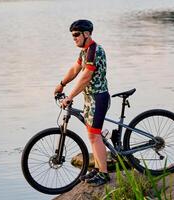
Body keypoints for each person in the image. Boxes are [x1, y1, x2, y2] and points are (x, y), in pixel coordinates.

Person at [54, 19, 110, 186]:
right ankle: (99, 168)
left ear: (87, 34)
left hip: (98, 98)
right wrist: (61, 84)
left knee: (94, 135)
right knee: (92, 135)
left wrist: (70, 96)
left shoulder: (94, 51)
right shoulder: (85, 51)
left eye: (77, 35)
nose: (74, 38)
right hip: (90, 99)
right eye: (72, 36)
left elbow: (85, 77)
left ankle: (104, 174)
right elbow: (74, 70)